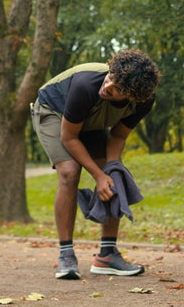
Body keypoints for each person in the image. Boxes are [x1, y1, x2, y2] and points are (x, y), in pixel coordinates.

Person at [30, 48, 161, 280]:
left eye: (117, 88)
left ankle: (107, 255)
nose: (107, 86)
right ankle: (66, 256)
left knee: (114, 177)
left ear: (131, 96)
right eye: (110, 77)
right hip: (54, 112)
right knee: (70, 172)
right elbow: (69, 138)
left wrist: (110, 170)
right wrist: (97, 176)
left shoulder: (143, 102)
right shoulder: (86, 84)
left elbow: (118, 137)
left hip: (91, 121)